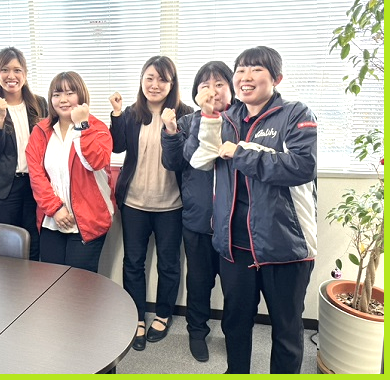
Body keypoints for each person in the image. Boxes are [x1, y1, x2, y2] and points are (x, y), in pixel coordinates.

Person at [185, 46, 317, 374]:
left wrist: (242, 154)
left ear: (276, 78)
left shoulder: (296, 113)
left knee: (286, 331)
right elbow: (198, 159)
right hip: (234, 246)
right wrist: (210, 117)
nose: (245, 77)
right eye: (241, 70)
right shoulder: (226, 118)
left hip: (284, 246)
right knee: (235, 323)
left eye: (256, 69)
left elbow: (303, 166)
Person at [110, 55, 194, 351]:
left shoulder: (185, 115)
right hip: (133, 202)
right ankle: (137, 318)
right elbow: (117, 146)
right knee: (133, 262)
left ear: (172, 83)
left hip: (171, 204)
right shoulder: (133, 113)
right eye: (149, 78)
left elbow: (188, 159)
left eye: (162, 79)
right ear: (141, 80)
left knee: (169, 264)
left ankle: (163, 314)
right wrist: (117, 114)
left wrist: (173, 129)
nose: (155, 85)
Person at [160, 61, 235, 362]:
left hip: (235, 224)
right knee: (199, 281)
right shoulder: (189, 121)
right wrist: (174, 130)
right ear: (195, 92)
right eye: (205, 85)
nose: (212, 91)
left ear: (231, 89)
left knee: (235, 288)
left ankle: (235, 333)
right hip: (197, 219)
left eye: (219, 84)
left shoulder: (242, 121)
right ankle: (196, 330)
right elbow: (177, 161)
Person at [25, 71, 114, 273]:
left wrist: (82, 126)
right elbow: (36, 176)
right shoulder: (41, 131)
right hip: (52, 219)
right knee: (50, 282)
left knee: (81, 286)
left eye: (70, 93)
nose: (63, 100)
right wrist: (55, 208)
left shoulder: (97, 128)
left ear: (81, 96)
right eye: (57, 94)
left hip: (89, 220)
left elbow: (95, 162)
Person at [0, 47, 47, 261]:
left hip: (34, 185)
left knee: (34, 241)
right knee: (6, 245)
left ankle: (32, 290)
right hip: (3, 188)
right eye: (4, 69)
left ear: (25, 74)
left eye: (17, 70)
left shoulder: (39, 104)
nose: (11, 76)